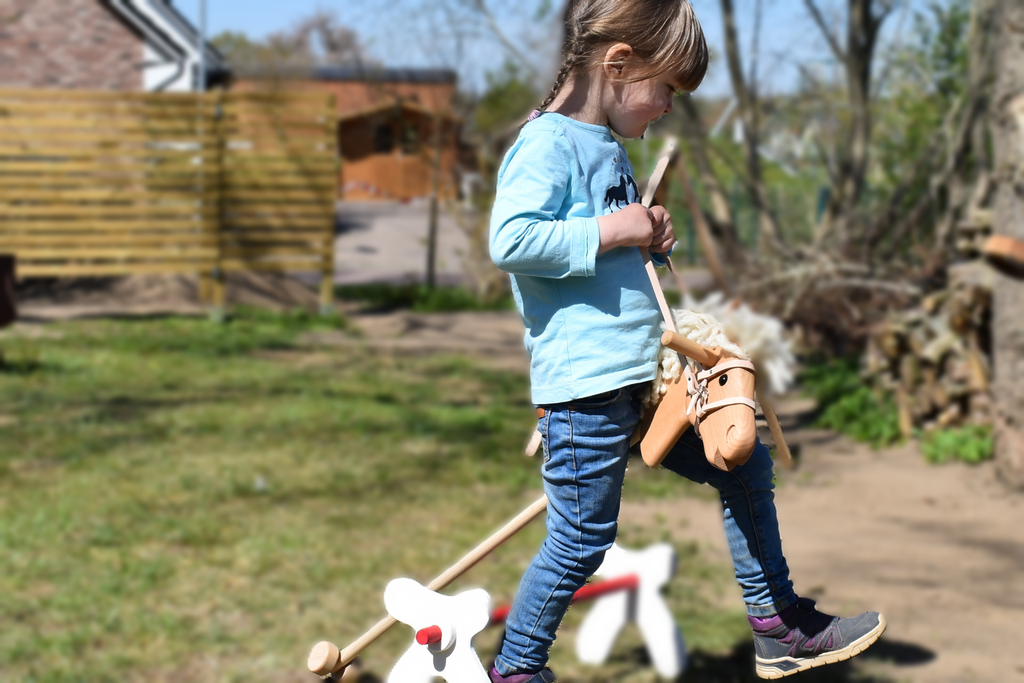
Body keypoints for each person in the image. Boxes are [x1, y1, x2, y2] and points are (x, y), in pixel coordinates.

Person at [487, 1, 886, 681]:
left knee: (744, 463)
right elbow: (512, 239)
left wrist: (650, 227)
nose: (670, 105)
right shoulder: (545, 143)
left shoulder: (605, 145)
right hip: (585, 385)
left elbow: (611, 239)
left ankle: (777, 625)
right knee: (581, 539)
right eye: (668, 88)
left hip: (642, 375)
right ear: (618, 64)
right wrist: (619, 230)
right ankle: (518, 667)